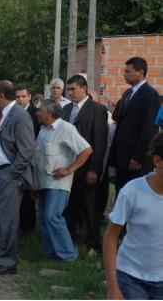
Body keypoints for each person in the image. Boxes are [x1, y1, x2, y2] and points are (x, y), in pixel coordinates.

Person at [0, 80, 35, 276]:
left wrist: (11, 173)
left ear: (2, 95)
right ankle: (4, 255)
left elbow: (27, 151)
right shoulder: (4, 114)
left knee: (7, 219)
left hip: (8, 175)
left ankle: (8, 261)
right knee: (0, 218)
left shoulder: (19, 116)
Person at [103, 132, 163, 300]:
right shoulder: (133, 191)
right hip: (131, 277)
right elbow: (110, 237)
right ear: (158, 161)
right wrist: (113, 288)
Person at [35, 100, 93, 262]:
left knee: (53, 216)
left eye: (40, 111)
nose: (37, 113)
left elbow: (87, 150)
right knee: (45, 219)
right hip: (43, 182)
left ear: (50, 113)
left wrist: (69, 169)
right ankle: (51, 253)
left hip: (58, 184)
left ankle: (69, 254)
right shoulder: (43, 130)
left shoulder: (66, 128)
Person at [62, 75, 108, 254]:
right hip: (70, 166)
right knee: (71, 205)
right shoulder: (66, 109)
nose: (70, 92)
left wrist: (94, 169)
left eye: (73, 89)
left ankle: (93, 243)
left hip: (88, 166)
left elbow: (100, 141)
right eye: (69, 89)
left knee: (90, 207)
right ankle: (70, 238)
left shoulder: (97, 109)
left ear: (84, 89)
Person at [110, 57, 161, 195]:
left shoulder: (150, 94)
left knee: (136, 196)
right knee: (122, 194)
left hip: (136, 161)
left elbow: (149, 129)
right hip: (122, 158)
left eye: (128, 71)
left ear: (140, 72)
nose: (124, 74)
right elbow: (120, 126)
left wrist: (138, 157)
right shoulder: (127, 94)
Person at [14, 83, 40, 235]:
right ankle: (16, 225)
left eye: (23, 96)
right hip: (15, 156)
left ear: (30, 97)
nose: (20, 99)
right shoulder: (12, 111)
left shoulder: (36, 113)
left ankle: (28, 227)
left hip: (30, 157)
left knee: (28, 194)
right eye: (17, 97)